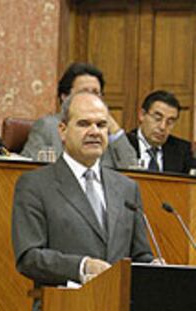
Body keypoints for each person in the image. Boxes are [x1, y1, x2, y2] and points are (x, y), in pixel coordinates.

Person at [12, 91, 153, 308]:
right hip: (64, 304)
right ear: (62, 130)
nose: (94, 132)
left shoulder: (127, 188)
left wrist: (153, 268)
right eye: (84, 124)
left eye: (101, 124)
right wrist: (83, 266)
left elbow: (140, 255)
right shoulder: (35, 185)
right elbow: (29, 258)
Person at [21, 62, 136, 168]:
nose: (91, 98)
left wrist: (115, 131)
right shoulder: (47, 126)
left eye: (96, 93)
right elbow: (29, 169)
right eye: (84, 92)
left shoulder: (106, 131)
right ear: (64, 96)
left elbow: (132, 168)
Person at [127, 90, 195, 174]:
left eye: (170, 122)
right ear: (142, 115)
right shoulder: (124, 144)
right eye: (157, 118)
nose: (163, 127)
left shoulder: (182, 151)